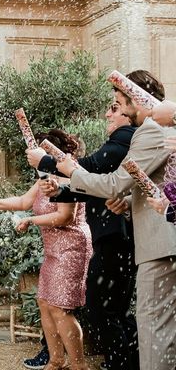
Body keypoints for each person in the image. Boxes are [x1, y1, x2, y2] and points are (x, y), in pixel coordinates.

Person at [54, 70, 176, 370]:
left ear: (136, 100)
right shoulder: (163, 130)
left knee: (153, 326)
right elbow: (156, 183)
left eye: (119, 103)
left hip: (161, 245)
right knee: (163, 327)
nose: (117, 110)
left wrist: (72, 172)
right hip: (163, 239)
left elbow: (114, 183)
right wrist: (126, 203)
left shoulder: (149, 129)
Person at [25, 103, 139, 370]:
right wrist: (60, 192)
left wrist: (46, 162)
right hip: (108, 238)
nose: (107, 114)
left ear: (130, 110)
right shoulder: (122, 139)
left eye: (115, 106)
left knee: (103, 309)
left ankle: (122, 363)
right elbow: (92, 185)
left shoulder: (124, 138)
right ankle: (118, 361)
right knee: (107, 309)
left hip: (112, 238)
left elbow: (91, 170)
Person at [0, 130, 92, 370]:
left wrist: (30, 221)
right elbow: (24, 202)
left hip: (71, 248)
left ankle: (78, 366)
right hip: (53, 249)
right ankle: (56, 360)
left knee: (60, 308)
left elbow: (64, 217)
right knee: (45, 303)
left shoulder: (69, 178)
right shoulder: (44, 177)